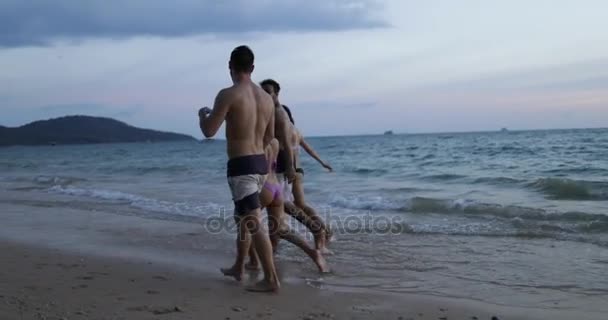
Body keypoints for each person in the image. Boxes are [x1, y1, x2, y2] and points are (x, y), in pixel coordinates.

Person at [198, 45, 279, 292]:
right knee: (242, 218)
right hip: (259, 163)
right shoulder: (267, 98)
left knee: (253, 221)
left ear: (230, 66)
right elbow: (271, 136)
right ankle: (239, 267)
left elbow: (209, 131)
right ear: (252, 68)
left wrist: (203, 115)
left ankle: (271, 280)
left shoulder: (228, 94)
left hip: (241, 165)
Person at [260, 79, 333, 253]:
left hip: (283, 167)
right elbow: (305, 147)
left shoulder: (279, 113)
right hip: (280, 166)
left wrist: (290, 167)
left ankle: (317, 229)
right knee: (279, 210)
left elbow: (285, 142)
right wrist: (322, 162)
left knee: (285, 205)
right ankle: (272, 249)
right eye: (262, 92)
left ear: (276, 94)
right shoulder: (275, 113)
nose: (263, 95)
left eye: (267, 92)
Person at [244, 139, 329, 273]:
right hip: (276, 187)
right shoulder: (276, 142)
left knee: (246, 221)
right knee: (281, 227)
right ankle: (312, 252)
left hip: (264, 186)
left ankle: (254, 261)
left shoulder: (258, 139)